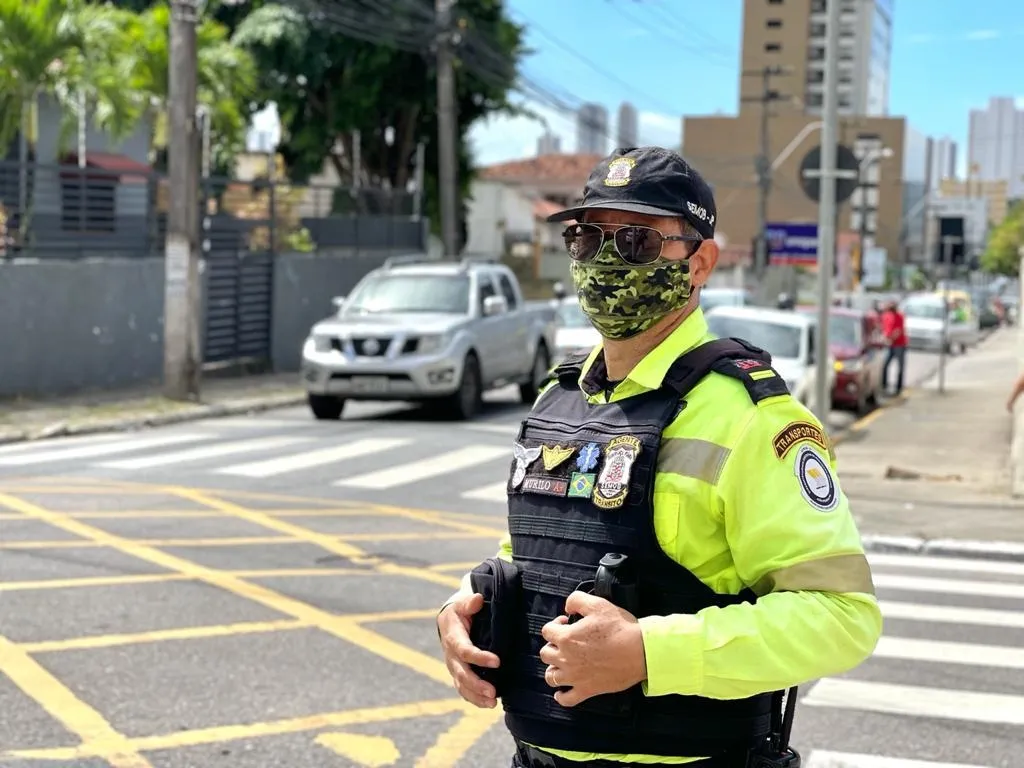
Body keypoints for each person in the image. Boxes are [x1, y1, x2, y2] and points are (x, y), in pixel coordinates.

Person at [435, 146, 882, 767]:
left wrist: (649, 653)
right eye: (586, 238)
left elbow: (842, 617)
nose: (605, 260)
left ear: (699, 263)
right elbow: (533, 552)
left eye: (637, 241)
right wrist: (465, 605)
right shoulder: (558, 399)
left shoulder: (752, 417)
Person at [879, 300, 908, 395]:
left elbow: (898, 331)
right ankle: (884, 385)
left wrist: (890, 339)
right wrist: (884, 338)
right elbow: (883, 329)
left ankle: (898, 387)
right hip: (890, 344)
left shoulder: (899, 316)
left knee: (900, 366)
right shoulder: (885, 316)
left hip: (899, 344)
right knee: (885, 365)